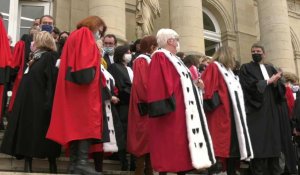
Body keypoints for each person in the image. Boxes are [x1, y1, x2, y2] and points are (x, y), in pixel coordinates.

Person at [147, 28, 215, 174]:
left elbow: (181, 83)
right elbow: (159, 83)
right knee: (170, 146)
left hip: (183, 111)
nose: (178, 43)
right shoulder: (160, 56)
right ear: (170, 41)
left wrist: (196, 84)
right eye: (176, 40)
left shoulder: (176, 59)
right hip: (172, 111)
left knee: (182, 149)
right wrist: (164, 106)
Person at [46, 16, 106, 175]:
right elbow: (85, 60)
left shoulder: (75, 35)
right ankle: (81, 162)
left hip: (74, 87)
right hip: (83, 88)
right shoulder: (85, 33)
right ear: (94, 25)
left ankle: (75, 164)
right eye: (99, 30)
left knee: (75, 126)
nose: (99, 34)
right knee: (84, 124)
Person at [0, 31, 61, 173]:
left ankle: (52, 166)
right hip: (30, 104)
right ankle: (28, 166)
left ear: (41, 41)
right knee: (28, 134)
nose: (31, 44)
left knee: (44, 137)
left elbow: (51, 82)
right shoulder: (36, 58)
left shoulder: (49, 57)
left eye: (34, 41)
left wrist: (48, 103)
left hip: (42, 105)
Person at [201, 46, 253, 175]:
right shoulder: (214, 67)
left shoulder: (230, 72)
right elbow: (207, 91)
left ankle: (231, 171)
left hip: (233, 117)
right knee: (221, 147)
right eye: (232, 55)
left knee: (233, 149)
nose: (234, 58)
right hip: (221, 115)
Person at [239, 43, 284, 175]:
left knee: (274, 148)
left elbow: (281, 92)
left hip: (272, 112)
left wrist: (276, 84)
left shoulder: (271, 68)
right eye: (253, 51)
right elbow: (247, 87)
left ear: (264, 54)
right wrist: (268, 82)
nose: (255, 53)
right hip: (256, 113)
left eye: (258, 51)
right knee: (259, 148)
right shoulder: (246, 68)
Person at [127, 35, 158, 175]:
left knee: (150, 142)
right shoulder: (142, 60)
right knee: (143, 142)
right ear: (152, 47)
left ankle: (149, 171)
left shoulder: (146, 60)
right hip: (144, 106)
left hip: (147, 105)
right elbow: (143, 85)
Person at [108, 45, 134, 170]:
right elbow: (120, 85)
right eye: (127, 52)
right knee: (122, 131)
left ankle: (133, 162)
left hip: (133, 104)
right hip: (123, 103)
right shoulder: (114, 67)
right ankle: (123, 161)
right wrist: (133, 91)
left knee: (132, 132)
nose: (130, 54)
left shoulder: (130, 68)